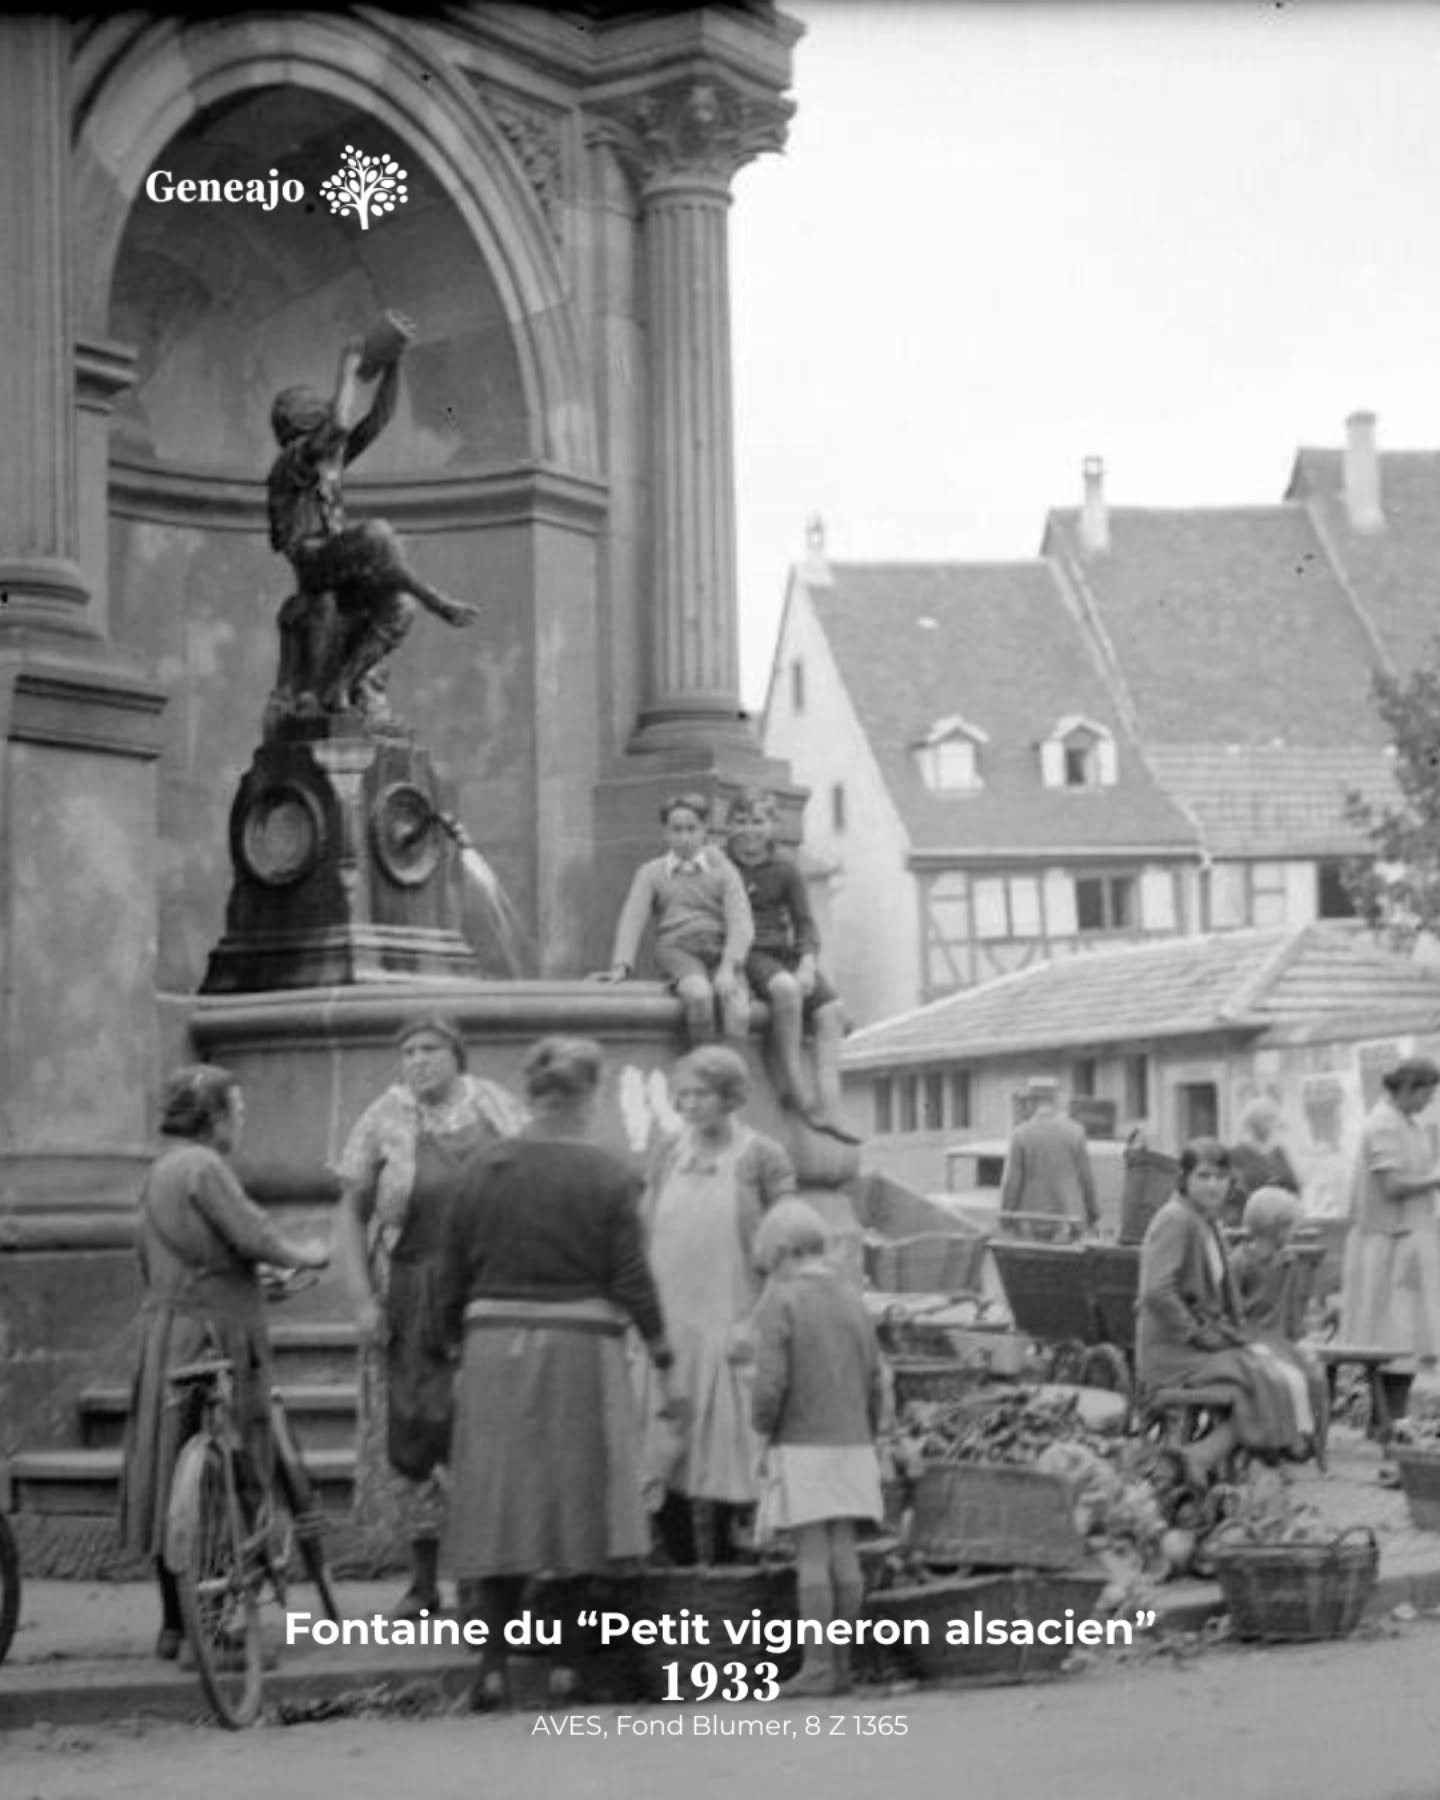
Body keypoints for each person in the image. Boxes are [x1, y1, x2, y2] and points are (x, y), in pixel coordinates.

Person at [437, 1037, 684, 1710]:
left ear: (529, 1095)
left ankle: (490, 1670)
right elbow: (631, 1274)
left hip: (491, 1348)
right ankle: (569, 1669)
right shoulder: (608, 1175)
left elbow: (448, 1270)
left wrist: (445, 1348)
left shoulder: (483, 1167)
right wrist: (663, 1353)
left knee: (498, 1502)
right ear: (591, 1097)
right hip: (582, 1344)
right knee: (578, 1505)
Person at [119, 1065, 329, 1661]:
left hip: (168, 1331)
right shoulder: (207, 1168)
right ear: (212, 1118)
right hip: (217, 1336)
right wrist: (306, 1252)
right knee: (230, 1474)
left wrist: (251, 1278)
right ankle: (211, 1627)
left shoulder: (161, 1170)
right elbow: (256, 1232)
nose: (240, 1121)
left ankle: (173, 1625)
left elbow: (170, 1254)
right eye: (235, 1110)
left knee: (169, 1469)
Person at [334, 1016, 526, 1621]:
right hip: (409, 1290)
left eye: (430, 1051)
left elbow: (530, 1183)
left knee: (482, 1428)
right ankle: (421, 1581)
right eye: (408, 1052)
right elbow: (351, 1210)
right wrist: (363, 1299)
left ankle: (481, 1579)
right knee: (414, 1429)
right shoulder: (383, 1118)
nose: (417, 1062)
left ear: (457, 1055)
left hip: (486, 1287)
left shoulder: (496, 1105)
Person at [266, 315, 480, 721]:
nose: (324, 408)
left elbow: (378, 420)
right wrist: (346, 370)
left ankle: (341, 685)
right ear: (297, 421)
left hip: (337, 566)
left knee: (399, 607)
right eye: (315, 407)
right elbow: (341, 424)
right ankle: (436, 600)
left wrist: (393, 363)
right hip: (313, 563)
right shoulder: (291, 462)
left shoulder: (329, 457)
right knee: (377, 534)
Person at [643, 1045, 796, 1566]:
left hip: (735, 1322)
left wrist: (761, 1319)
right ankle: (684, 1569)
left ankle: (735, 1578)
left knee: (735, 1456)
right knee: (670, 1450)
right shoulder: (666, 1153)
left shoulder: (762, 1157)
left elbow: (790, 1243)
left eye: (701, 1094)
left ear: (730, 1097)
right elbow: (645, 1231)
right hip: (673, 1325)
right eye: (682, 1094)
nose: (689, 1104)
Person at [749, 1200, 885, 1699]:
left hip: (803, 1441)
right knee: (844, 1552)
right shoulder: (853, 1300)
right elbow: (875, 1378)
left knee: (811, 1554)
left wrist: (761, 1429)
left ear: (784, 1253)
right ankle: (845, 1664)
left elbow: (770, 1384)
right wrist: (869, 1431)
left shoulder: (780, 1302)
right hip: (854, 1442)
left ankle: (817, 1664)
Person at [1137, 1140, 1312, 1486]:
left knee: (1278, 1367)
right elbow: (1156, 1291)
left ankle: (1220, 1455)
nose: (1213, 1185)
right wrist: (1196, 1332)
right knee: (1260, 1377)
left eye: (1221, 1177)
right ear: (1183, 1178)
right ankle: (1219, 1455)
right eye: (1203, 1176)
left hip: (1202, 1344)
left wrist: (1233, 1333)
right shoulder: (1175, 1220)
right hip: (1173, 1350)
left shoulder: (1208, 1222)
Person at [723, 788, 859, 1145]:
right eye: (741, 821)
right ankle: (797, 1089)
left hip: (783, 952)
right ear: (728, 826)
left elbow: (805, 924)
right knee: (784, 990)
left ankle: (831, 1106)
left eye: (758, 822)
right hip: (748, 952)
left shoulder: (784, 869)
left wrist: (808, 963)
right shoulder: (722, 867)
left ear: (771, 827)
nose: (749, 830)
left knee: (832, 1011)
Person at [1340, 1056, 1440, 1481]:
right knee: (1388, 1339)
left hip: (1408, 1242)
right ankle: (1386, 1427)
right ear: (1407, 1087)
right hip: (1385, 1244)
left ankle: (1389, 1428)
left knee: (1407, 1340)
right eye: (1426, 1092)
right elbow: (1392, 1185)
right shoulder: (1382, 1124)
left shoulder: (1411, 1125)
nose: (1430, 1100)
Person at [596, 792, 753, 1043]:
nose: (684, 838)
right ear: (665, 833)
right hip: (677, 949)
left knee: (738, 1010)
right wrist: (620, 965)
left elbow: (741, 921)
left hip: (718, 949)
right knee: (699, 995)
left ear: (705, 830)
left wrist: (728, 967)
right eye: (676, 830)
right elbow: (632, 918)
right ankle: (702, 1067)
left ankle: (729, 1074)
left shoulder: (723, 870)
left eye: (692, 829)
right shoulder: (651, 873)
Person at [1231, 1185, 1326, 1448]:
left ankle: (1302, 1433)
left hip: (1278, 1340)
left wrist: (1302, 1340)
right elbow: (1231, 1307)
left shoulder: (1289, 1263)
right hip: (1247, 1340)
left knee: (1311, 1371)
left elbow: (1293, 1313)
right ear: (1278, 1229)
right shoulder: (1240, 1261)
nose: (1293, 1234)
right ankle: (1274, 1436)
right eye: (1291, 1228)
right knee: (1277, 1376)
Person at [999, 1077, 1098, 1239]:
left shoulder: (1021, 1134)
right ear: (1055, 1100)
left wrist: (1006, 1217)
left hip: (1030, 1222)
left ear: (1032, 1101)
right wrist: (1093, 1213)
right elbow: (1086, 1179)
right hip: (1070, 1221)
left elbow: (1011, 1182)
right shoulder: (1076, 1132)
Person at [1225, 1097, 1300, 1231]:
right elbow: (1234, 1192)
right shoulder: (1237, 1154)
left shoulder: (1278, 1152)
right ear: (1253, 1122)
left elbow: (1294, 1187)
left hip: (1279, 1224)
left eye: (1273, 1118)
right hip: (1247, 1224)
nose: (1272, 1123)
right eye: (1266, 1118)